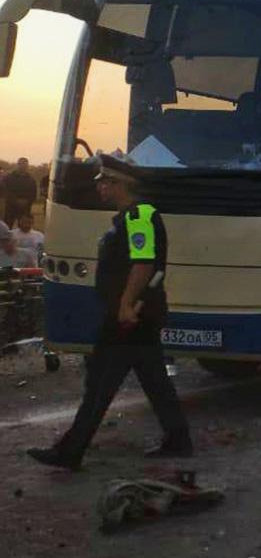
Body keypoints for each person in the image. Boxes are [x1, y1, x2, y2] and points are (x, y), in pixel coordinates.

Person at [27, 155, 191, 470]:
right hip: (135, 317)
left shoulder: (139, 217)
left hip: (129, 319)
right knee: (155, 381)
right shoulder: (129, 217)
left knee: (100, 385)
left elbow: (143, 264)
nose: (100, 188)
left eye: (104, 182)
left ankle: (70, 451)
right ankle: (178, 439)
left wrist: (126, 304)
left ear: (119, 184)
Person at [3, 157, 38, 227]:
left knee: (23, 229)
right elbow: (6, 191)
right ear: (17, 165)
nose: (22, 166)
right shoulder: (9, 178)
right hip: (10, 207)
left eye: (24, 164)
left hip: (25, 208)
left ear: (27, 166)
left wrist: (27, 202)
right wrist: (16, 201)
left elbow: (34, 193)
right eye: (20, 164)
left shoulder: (31, 180)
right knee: (7, 227)